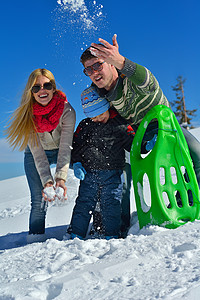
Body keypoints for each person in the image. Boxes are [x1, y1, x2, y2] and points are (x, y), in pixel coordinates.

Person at [80, 35, 200, 230]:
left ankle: (182, 202)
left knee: (197, 155)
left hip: (165, 126)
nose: (94, 72)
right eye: (88, 69)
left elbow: (148, 81)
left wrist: (120, 61)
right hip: (134, 135)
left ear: (111, 64)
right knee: (121, 174)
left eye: (98, 65)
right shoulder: (99, 94)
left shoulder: (131, 80)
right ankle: (116, 226)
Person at [6, 68, 76, 243]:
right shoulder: (28, 116)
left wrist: (60, 178)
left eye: (47, 85)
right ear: (31, 92)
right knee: (39, 200)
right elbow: (37, 154)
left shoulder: (67, 110)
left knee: (93, 176)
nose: (42, 90)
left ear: (53, 88)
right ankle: (35, 241)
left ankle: (85, 226)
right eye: (36, 88)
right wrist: (48, 181)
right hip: (36, 154)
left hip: (62, 149)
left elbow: (66, 146)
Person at [69, 86, 135, 240]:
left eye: (99, 114)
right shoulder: (84, 126)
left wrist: (145, 145)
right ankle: (76, 234)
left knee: (111, 204)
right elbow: (76, 146)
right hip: (89, 174)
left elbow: (132, 144)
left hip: (112, 174)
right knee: (83, 204)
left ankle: (111, 235)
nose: (97, 119)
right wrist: (77, 163)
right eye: (93, 117)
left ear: (106, 106)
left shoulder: (119, 124)